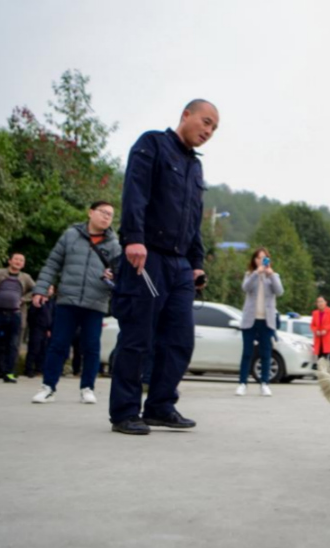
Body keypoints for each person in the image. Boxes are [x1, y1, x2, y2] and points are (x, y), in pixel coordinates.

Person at [109, 99, 218, 435]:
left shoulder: (194, 167)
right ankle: (125, 412)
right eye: (205, 121)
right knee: (138, 336)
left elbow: (194, 221)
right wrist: (133, 238)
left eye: (214, 128)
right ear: (186, 115)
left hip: (180, 264)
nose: (209, 131)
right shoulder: (152, 144)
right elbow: (135, 192)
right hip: (147, 256)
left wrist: (196, 263)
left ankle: (160, 405)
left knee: (180, 339)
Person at [31, 201, 121, 404]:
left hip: (96, 302)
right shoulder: (70, 235)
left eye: (110, 215)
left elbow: (121, 276)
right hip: (67, 300)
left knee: (91, 347)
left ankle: (87, 387)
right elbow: (52, 263)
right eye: (103, 212)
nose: (107, 217)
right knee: (58, 345)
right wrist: (41, 289)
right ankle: (48, 387)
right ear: (90, 212)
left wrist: (114, 276)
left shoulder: (114, 245)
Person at [236, 247, 284, 397]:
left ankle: (264, 383)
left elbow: (279, 291)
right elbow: (245, 287)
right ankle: (243, 383)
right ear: (254, 260)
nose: (260, 260)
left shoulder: (274, 275)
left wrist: (270, 274)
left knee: (266, 353)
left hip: (267, 320)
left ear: (268, 260)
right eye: (258, 258)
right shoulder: (250, 275)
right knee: (247, 353)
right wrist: (257, 273)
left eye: (264, 258)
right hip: (250, 319)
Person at [0, 252, 35, 383]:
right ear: (10, 261)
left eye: (21, 260)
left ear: (23, 264)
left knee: (13, 344)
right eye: (16, 259)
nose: (18, 262)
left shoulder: (26, 277)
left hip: (15, 314)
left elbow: (36, 290)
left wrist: (23, 299)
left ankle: (9, 372)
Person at [24, 285, 56, 378]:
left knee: (44, 350)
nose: (49, 291)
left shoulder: (52, 303)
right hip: (37, 328)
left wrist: (50, 329)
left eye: (51, 289)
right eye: (48, 288)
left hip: (47, 329)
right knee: (34, 348)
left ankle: (39, 369)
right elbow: (31, 315)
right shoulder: (37, 301)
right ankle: (28, 369)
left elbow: (53, 316)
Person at [311, 296, 330, 364]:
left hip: (328, 339)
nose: (320, 303)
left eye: (321, 301)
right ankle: (321, 372)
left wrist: (325, 329)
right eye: (318, 302)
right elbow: (312, 325)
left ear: (325, 302)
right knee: (320, 358)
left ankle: (329, 372)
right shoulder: (315, 313)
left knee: (329, 359)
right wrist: (316, 330)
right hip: (319, 339)